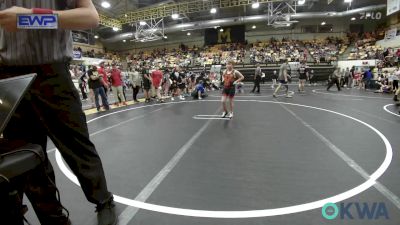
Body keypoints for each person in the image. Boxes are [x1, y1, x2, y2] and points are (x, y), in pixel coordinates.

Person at [0, 2, 116, 225]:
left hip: (52, 72)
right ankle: (52, 217)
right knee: (27, 155)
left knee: (76, 145)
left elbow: (90, 18)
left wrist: (29, 18)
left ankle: (103, 199)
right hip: (7, 75)